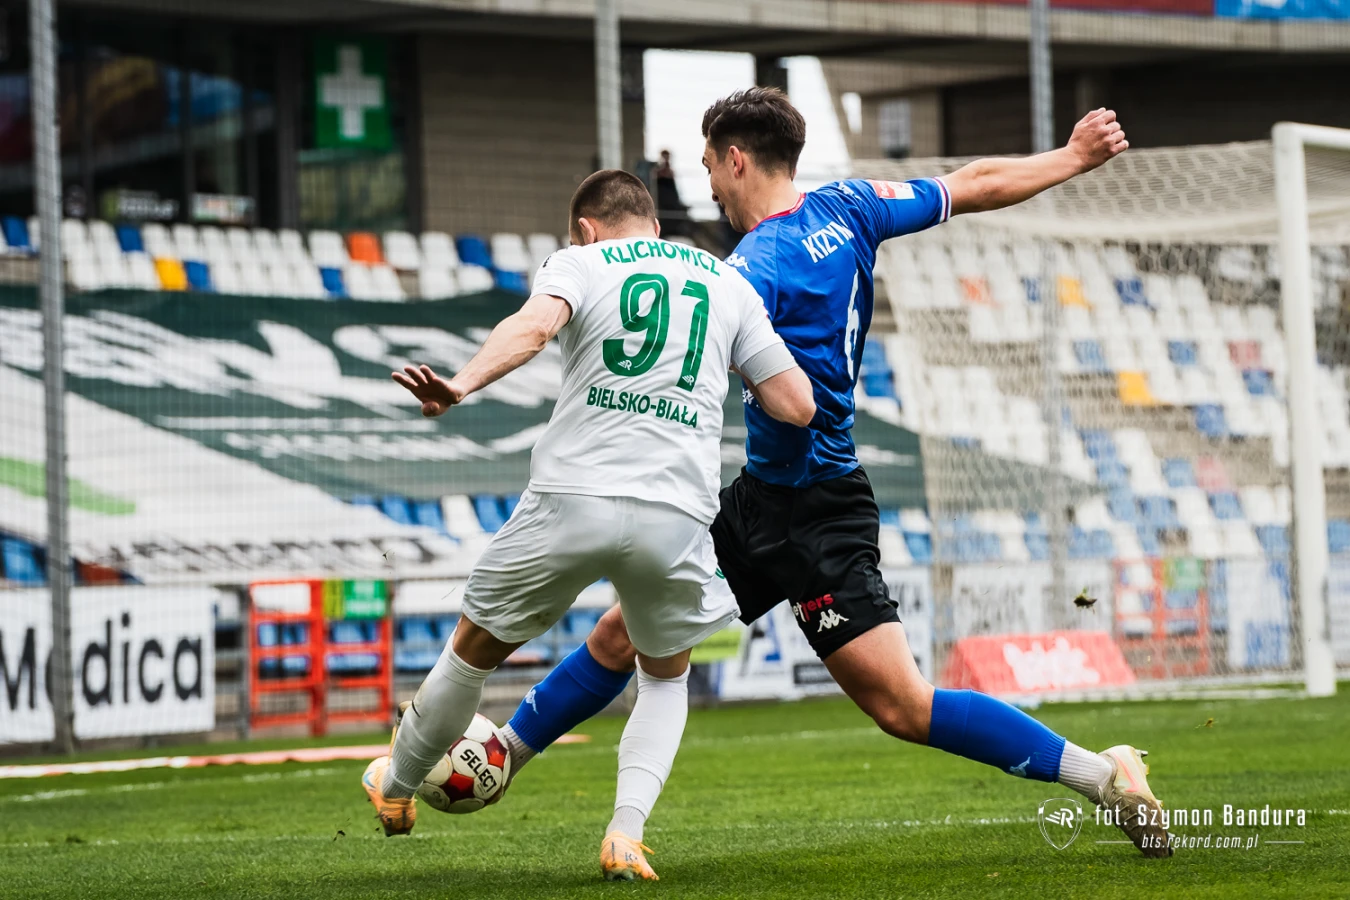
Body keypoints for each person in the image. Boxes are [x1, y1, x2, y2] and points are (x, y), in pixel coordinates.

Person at [489, 88, 1175, 873]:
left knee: (903, 707)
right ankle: (501, 755)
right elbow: (973, 182)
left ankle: (1102, 775)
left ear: (736, 160)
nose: (709, 187)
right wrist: (1072, 157)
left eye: (709, 166)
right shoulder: (851, 206)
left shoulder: (751, 269)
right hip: (761, 502)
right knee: (623, 633)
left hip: (818, 512)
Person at [359, 168, 817, 881]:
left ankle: (394, 788)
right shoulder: (727, 282)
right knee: (664, 677)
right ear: (656, 225)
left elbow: (534, 327)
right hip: (676, 509)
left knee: (470, 654)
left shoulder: (582, 262)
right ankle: (625, 836)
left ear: (585, 229)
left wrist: (462, 384)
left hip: (574, 497)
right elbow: (796, 404)